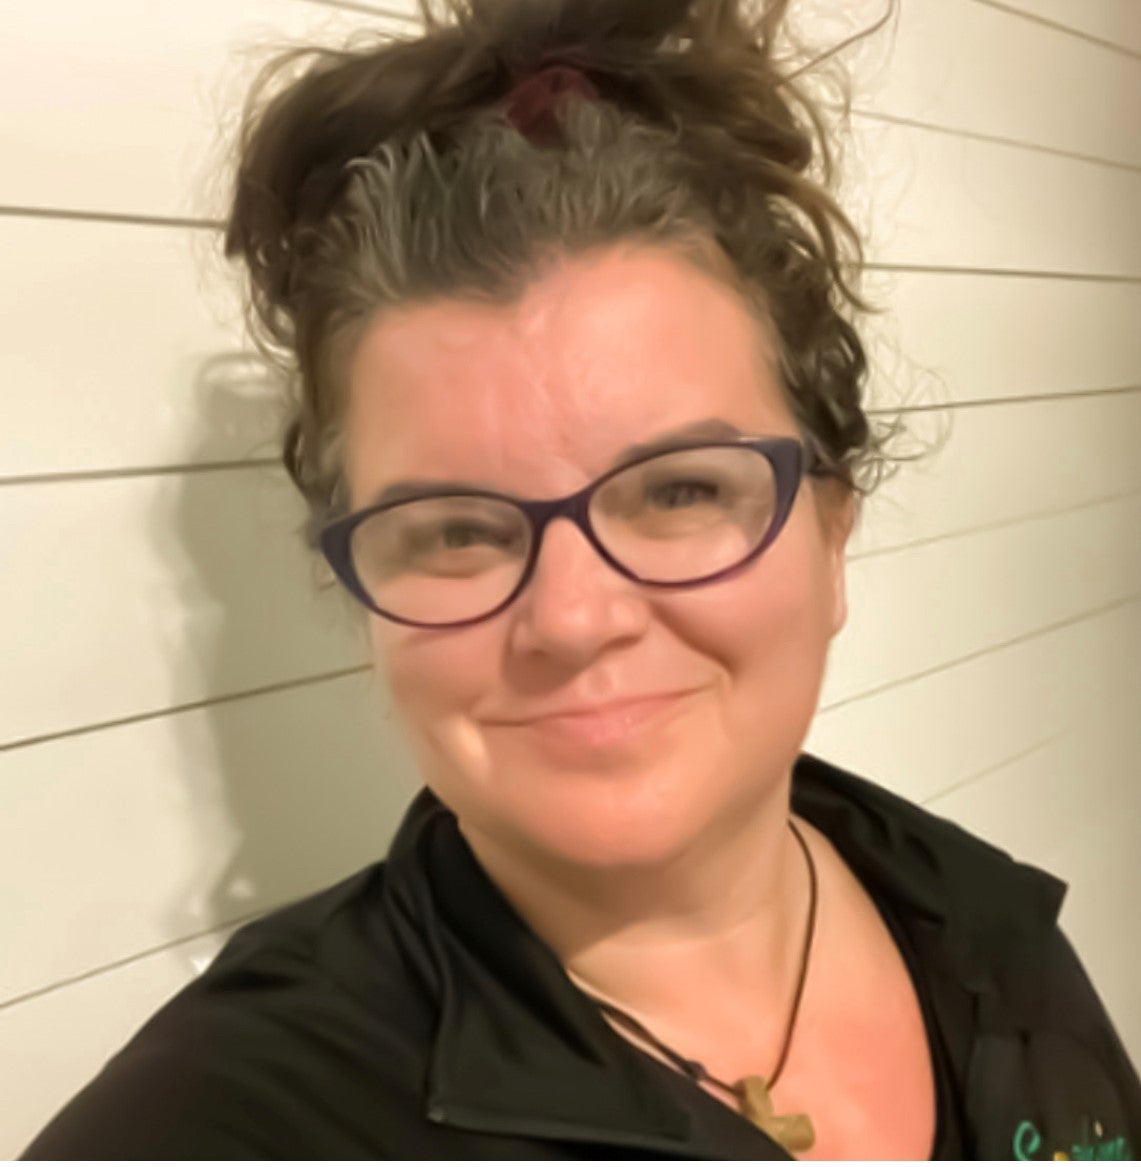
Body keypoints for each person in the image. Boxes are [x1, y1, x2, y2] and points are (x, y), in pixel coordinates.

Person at [23, 0, 1141, 1159]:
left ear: (832, 535)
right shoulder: (230, 1124)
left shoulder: (982, 922)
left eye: (677, 492)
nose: (569, 617)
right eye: (454, 530)